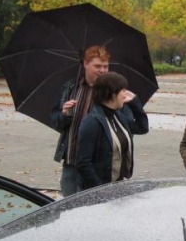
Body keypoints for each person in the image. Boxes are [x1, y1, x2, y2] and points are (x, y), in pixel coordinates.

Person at [50, 46, 110, 196]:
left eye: (105, 66)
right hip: (72, 162)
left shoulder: (111, 92)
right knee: (70, 205)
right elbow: (55, 120)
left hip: (96, 166)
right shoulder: (70, 88)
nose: (102, 70)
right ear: (85, 63)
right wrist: (64, 114)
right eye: (98, 66)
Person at [76, 72, 149, 190]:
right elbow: (83, 163)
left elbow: (142, 127)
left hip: (116, 186)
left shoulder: (118, 116)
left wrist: (134, 102)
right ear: (113, 95)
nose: (125, 95)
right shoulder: (92, 122)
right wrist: (100, 189)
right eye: (123, 90)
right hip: (98, 191)